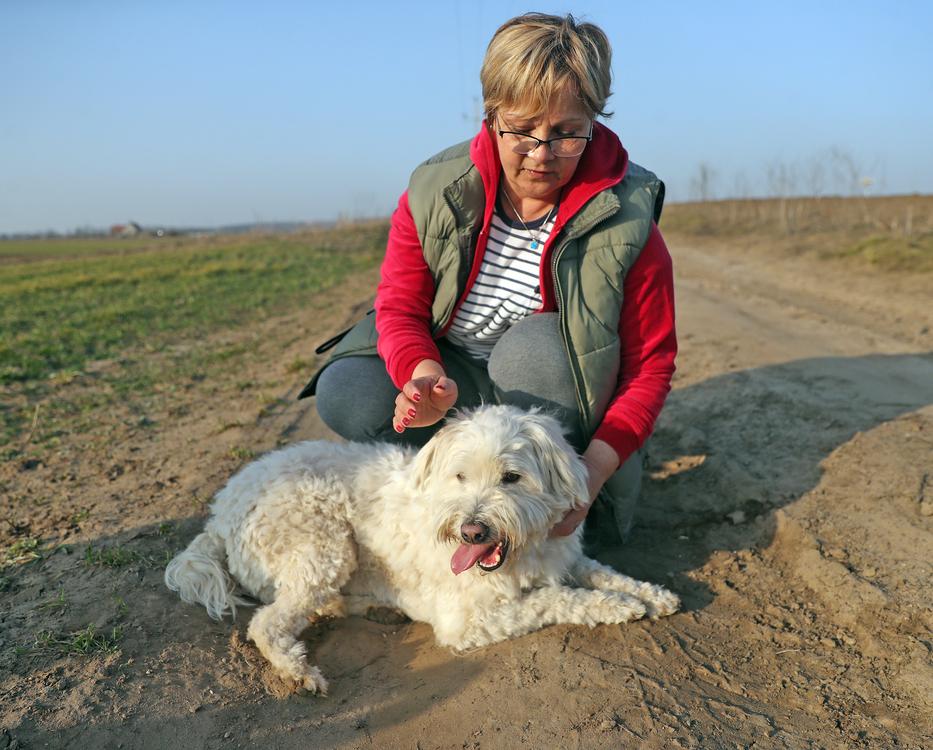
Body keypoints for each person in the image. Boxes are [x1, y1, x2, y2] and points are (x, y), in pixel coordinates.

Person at [301, 12, 676, 545]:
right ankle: (456, 499)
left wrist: (592, 473)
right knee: (348, 391)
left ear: (594, 121)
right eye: (522, 130)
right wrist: (423, 374)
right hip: (455, 380)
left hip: (546, 389)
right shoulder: (436, 191)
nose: (542, 155)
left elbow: (651, 368)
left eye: (568, 134)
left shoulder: (628, 218)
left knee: (537, 347)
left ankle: (537, 504)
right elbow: (400, 306)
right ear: (491, 112)